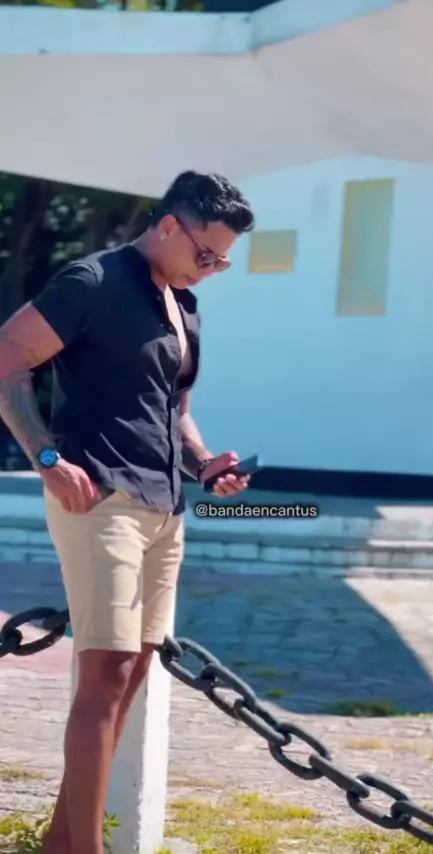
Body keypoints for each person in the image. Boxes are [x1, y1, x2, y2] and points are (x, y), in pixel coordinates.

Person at [0, 170, 255, 854]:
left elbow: (172, 411)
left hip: (165, 508)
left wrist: (205, 465)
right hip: (102, 501)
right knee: (105, 677)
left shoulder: (183, 304)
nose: (213, 269)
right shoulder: (93, 281)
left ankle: (62, 845)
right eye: (207, 254)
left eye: (223, 261)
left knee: (133, 676)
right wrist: (45, 458)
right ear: (169, 226)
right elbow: (8, 355)